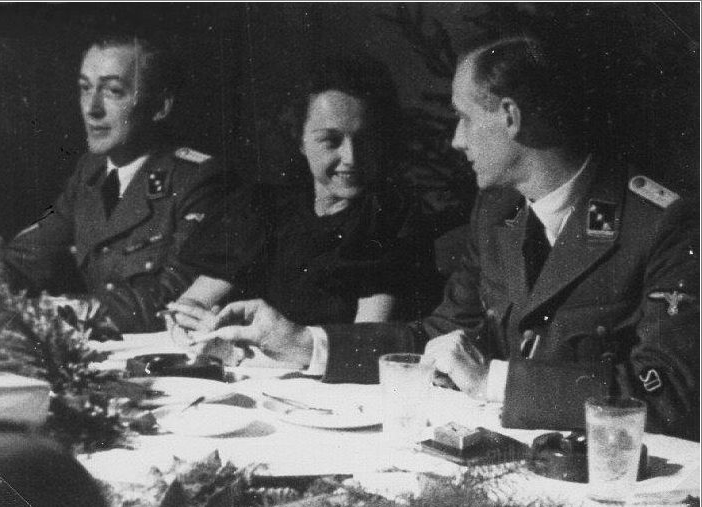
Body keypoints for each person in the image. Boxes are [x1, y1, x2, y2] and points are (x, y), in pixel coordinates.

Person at [188, 36, 699, 440]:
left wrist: (492, 381)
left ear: (510, 117)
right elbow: (434, 336)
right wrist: (304, 343)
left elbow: (671, 393)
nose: (455, 139)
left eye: (464, 118)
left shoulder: (661, 225)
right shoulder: (498, 212)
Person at [166, 55, 442, 338]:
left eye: (365, 140)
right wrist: (191, 320)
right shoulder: (264, 208)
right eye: (331, 141)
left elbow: (365, 345)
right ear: (300, 140)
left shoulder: (390, 219)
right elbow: (192, 304)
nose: (351, 157)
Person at [0, 33, 234, 333]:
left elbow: (174, 299)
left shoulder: (199, 180)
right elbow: (24, 257)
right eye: (85, 89)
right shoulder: (90, 173)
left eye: (112, 91)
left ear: (160, 106)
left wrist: (56, 312)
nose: (92, 108)